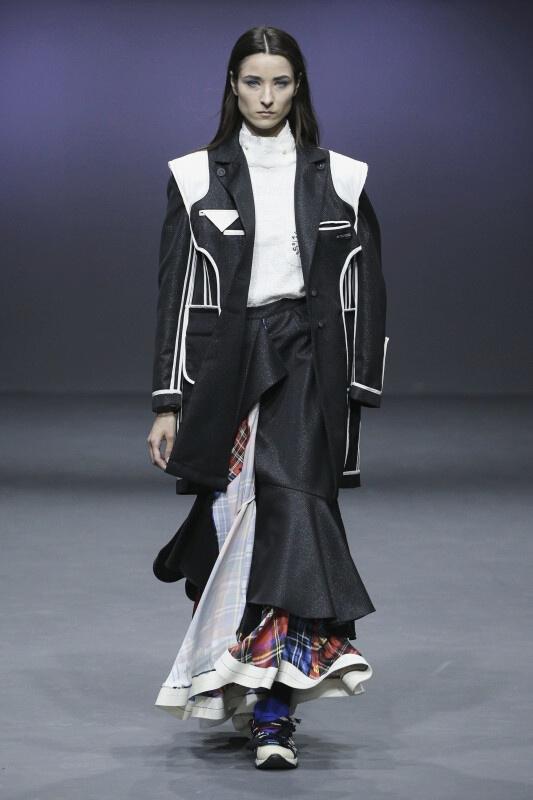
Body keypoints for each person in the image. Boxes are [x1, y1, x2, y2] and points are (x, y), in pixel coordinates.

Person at [146, 26, 389, 770]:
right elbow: (175, 292)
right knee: (232, 519)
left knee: (294, 509)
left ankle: (276, 711)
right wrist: (167, 400)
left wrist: (358, 388)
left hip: (308, 360)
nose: (266, 97)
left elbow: (366, 287)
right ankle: (242, 678)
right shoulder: (195, 175)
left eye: (280, 82)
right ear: (232, 85)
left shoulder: (341, 176)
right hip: (226, 364)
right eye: (253, 82)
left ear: (297, 87)